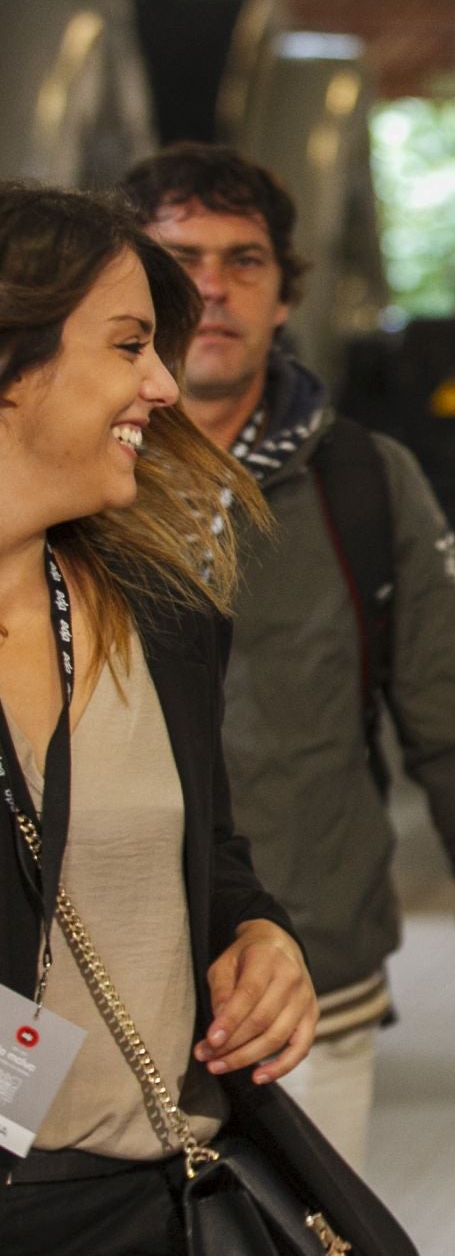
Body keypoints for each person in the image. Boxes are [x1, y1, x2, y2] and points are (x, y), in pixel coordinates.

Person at [119, 144, 455, 1170]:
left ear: (286, 294)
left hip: (306, 992)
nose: (212, 286)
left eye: (245, 261)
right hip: (92, 991)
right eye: (179, 257)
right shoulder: (62, 477)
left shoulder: (365, 483)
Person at [0, 184, 316, 1253]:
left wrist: (256, 931)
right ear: (10, 364)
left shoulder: (163, 614)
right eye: (130, 344)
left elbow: (204, 852)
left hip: (163, 1201)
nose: (164, 384)